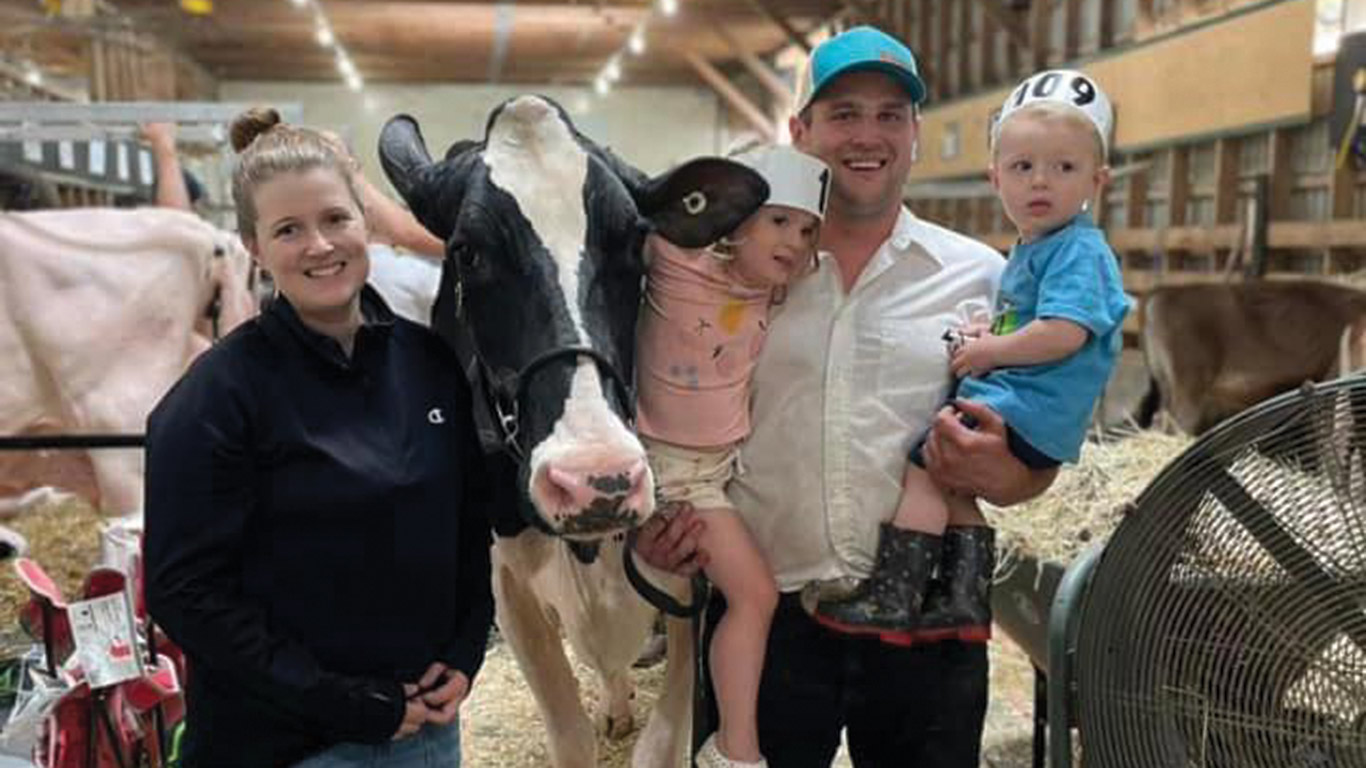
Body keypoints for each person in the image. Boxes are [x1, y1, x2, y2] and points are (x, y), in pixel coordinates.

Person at [635, 26, 1059, 767]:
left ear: (917, 135)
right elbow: (665, 415)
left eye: (890, 115)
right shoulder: (735, 279)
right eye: (843, 114)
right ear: (800, 133)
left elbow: (1035, 453)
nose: (868, 135)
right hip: (772, 611)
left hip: (927, 620)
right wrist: (656, 527)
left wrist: (1016, 476)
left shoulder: (984, 280)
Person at [143, 106, 503, 768]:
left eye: (336, 218)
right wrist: (340, 700)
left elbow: (466, 528)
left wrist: (464, 651)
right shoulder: (216, 396)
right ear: (254, 247)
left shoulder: (429, 364)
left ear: (366, 222)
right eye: (289, 229)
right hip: (284, 744)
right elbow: (183, 590)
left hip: (425, 732)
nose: (320, 244)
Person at [805, 68, 1128, 642]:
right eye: (1023, 167)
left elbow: (1065, 332)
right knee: (944, 483)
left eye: (1065, 168)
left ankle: (897, 593)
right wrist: (991, 331)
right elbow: (1031, 321)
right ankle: (959, 598)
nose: (1041, 182)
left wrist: (988, 350)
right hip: (786, 597)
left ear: (1099, 181)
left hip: (1027, 411)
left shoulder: (1046, 255)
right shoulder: (1032, 252)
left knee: (926, 463)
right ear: (995, 177)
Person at [636, 145, 830, 768]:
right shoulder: (675, 262)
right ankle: (735, 750)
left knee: (749, 599)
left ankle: (728, 743)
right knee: (755, 596)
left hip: (717, 471)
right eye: (778, 221)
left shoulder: (777, 289)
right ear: (732, 220)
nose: (794, 242)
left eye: (806, 230)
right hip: (670, 472)